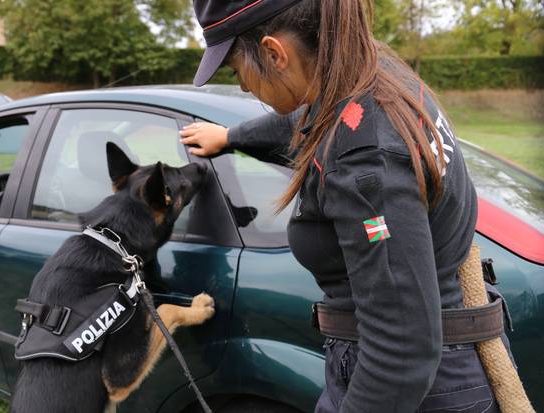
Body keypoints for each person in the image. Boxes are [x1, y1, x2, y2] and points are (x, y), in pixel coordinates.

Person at [182, 1, 513, 412]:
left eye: (236, 70)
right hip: (441, 368)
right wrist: (231, 136)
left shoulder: (365, 162)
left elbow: (402, 352)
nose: (245, 87)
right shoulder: (374, 75)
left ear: (273, 53)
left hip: (420, 391)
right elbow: (304, 120)